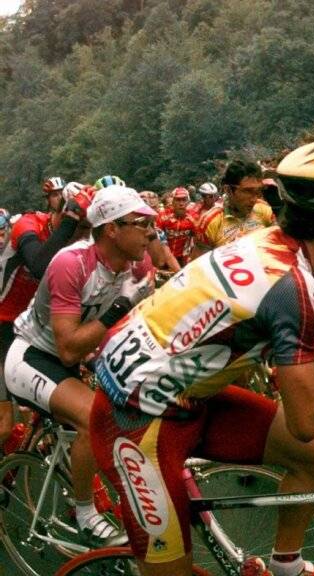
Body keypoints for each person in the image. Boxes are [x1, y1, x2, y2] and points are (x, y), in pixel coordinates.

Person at [89, 138, 314, 576]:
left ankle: (287, 565)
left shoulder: (275, 245)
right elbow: (305, 420)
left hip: (183, 399)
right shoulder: (291, 286)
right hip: (133, 425)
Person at [6, 185, 158, 548]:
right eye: (140, 223)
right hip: (34, 355)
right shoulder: (70, 263)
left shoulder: (141, 262)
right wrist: (120, 309)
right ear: (111, 229)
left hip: (86, 352)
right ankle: (85, 511)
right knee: (93, 418)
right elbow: (69, 348)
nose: (151, 231)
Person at [0, 178, 90, 445]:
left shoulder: (77, 243)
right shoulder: (28, 224)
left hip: (26, 327)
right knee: (5, 425)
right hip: (1, 325)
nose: (84, 236)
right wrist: (70, 222)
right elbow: (40, 265)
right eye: (81, 227)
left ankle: (22, 464)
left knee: (33, 416)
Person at [193, 159, 275, 258]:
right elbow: (200, 265)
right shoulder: (209, 221)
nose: (254, 199)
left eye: (258, 191)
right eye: (247, 191)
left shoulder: (265, 209)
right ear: (228, 190)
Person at [157, 187, 199, 265]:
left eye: (184, 200)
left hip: (183, 258)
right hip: (163, 255)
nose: (181, 203)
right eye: (178, 200)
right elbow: (157, 239)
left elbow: (198, 241)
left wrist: (192, 258)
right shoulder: (163, 215)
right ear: (172, 202)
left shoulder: (194, 217)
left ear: (188, 202)